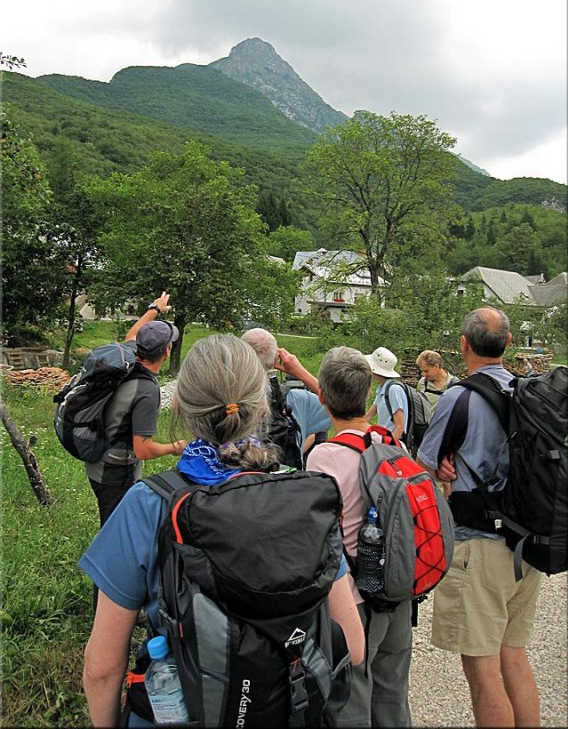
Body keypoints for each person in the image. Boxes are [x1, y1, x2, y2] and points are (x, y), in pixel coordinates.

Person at [80, 334, 364, 728]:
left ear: (178, 406)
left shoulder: (148, 503)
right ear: (262, 406)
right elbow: (354, 644)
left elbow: (102, 669)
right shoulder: (303, 496)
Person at [416, 308, 543, 728]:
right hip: (527, 540)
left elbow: (427, 461)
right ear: (509, 344)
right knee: (514, 657)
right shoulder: (529, 393)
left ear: (463, 345)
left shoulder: (459, 396)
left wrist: (447, 464)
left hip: (480, 544)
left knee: (483, 670)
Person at [278, 345, 413, 728]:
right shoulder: (392, 444)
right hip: (397, 592)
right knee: (392, 695)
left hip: (355, 599)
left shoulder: (324, 457)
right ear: (369, 393)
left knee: (351, 697)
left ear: (322, 396)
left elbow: (319, 533)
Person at [85, 292, 187, 528]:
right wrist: (175, 448)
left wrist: (156, 309)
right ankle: (105, 564)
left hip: (97, 456)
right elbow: (142, 449)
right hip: (114, 472)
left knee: (118, 525)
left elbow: (132, 333)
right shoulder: (146, 391)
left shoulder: (127, 358)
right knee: (115, 530)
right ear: (167, 351)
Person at [241, 328, 331, 460]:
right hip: (285, 478)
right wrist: (300, 372)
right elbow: (342, 408)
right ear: (276, 358)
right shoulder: (297, 400)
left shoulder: (221, 398)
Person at [363, 346, 409, 442]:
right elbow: (368, 416)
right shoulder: (382, 388)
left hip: (393, 442)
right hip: (384, 439)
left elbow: (399, 427)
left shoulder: (394, 389)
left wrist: (387, 448)